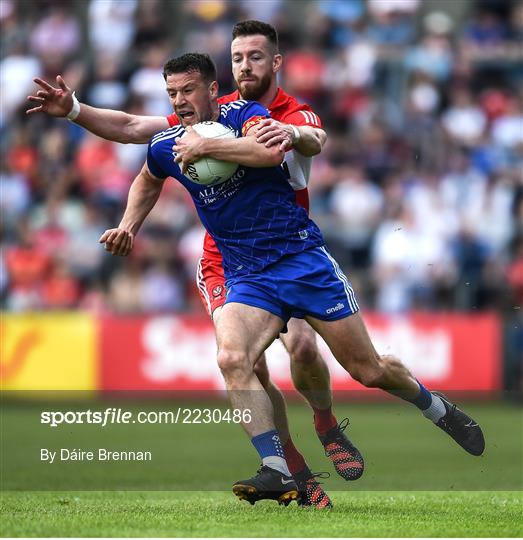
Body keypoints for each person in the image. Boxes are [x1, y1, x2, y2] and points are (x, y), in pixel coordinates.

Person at [104, 52, 484, 505]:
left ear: (211, 88)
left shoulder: (243, 113)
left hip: (301, 261)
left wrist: (206, 146)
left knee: (369, 370)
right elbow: (148, 178)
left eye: (188, 90)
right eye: (172, 94)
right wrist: (129, 225)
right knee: (231, 357)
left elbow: (268, 152)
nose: (180, 101)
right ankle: (277, 469)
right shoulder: (167, 143)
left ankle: (437, 409)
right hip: (248, 275)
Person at [27, 21, 365, 509]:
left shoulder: (289, 113)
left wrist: (293, 136)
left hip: (286, 248)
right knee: (242, 363)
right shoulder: (214, 112)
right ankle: (293, 470)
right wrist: (76, 110)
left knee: (306, 350)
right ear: (226, 69)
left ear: (275, 62)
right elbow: (134, 129)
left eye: (254, 57)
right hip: (227, 257)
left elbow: (311, 140)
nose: (244, 66)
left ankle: (325, 420)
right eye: (237, 58)